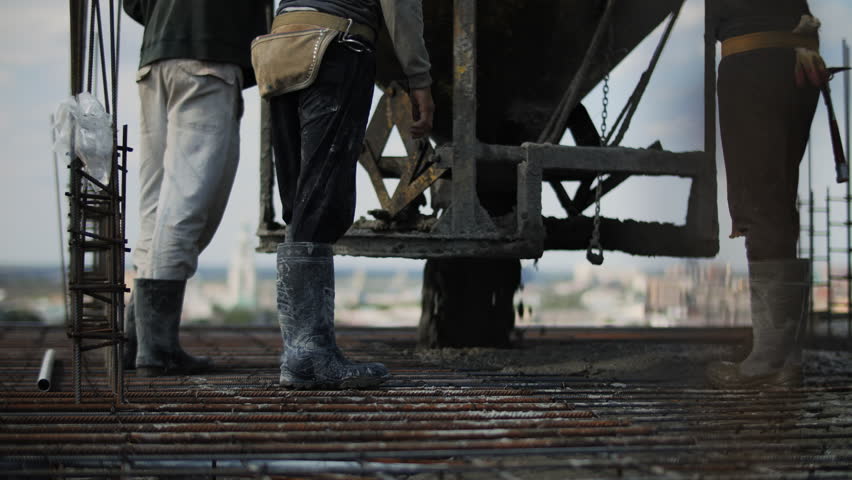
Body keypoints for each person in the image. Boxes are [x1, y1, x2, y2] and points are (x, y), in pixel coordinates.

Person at [262, 0, 434, 388]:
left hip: (279, 46)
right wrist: (419, 78)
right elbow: (400, 7)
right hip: (335, 48)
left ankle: (301, 353)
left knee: (300, 198)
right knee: (323, 197)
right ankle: (309, 354)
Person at [122, 0, 268, 377]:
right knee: (187, 206)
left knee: (156, 206)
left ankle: (134, 342)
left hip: (155, 61)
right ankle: (157, 351)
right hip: (207, 59)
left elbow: (134, 4)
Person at [706, 0, 827, 389]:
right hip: (797, 54)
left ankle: (769, 362)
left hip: (753, 59)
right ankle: (784, 355)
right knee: (776, 202)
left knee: (760, 203)